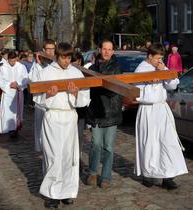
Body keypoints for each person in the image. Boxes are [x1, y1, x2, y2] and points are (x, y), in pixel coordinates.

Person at [34, 42, 90, 209]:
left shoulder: (76, 73)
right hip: (53, 117)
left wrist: (76, 94)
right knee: (54, 156)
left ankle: (66, 191)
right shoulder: (45, 73)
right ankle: (52, 194)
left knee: (69, 157)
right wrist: (47, 96)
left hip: (70, 117)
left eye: (68, 58)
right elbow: (37, 98)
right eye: (63, 58)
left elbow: (85, 100)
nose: (66, 61)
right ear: (56, 56)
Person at [134, 43, 188, 190]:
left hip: (161, 109)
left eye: (161, 58)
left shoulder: (161, 66)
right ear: (150, 56)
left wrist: (163, 70)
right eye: (157, 58)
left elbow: (173, 85)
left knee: (167, 142)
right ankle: (148, 174)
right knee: (149, 142)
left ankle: (168, 176)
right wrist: (149, 82)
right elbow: (137, 93)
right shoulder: (140, 69)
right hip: (148, 110)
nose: (159, 61)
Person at [86, 39, 123, 189]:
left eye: (110, 49)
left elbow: (116, 89)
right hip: (96, 110)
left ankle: (106, 176)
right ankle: (93, 172)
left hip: (112, 111)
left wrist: (102, 86)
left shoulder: (117, 68)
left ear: (113, 51)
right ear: (100, 50)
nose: (107, 52)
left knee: (108, 146)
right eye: (104, 48)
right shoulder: (92, 68)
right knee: (95, 144)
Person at [30, 39, 56, 152]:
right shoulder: (37, 64)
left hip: (54, 101)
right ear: (44, 50)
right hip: (41, 101)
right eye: (48, 49)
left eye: (52, 49)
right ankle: (41, 148)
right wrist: (39, 65)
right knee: (40, 127)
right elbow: (32, 80)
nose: (50, 52)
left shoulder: (57, 63)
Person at [0, 51, 29, 138]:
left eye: (14, 61)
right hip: (8, 93)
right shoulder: (3, 67)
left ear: (16, 59)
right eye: (11, 61)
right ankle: (9, 129)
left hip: (18, 91)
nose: (12, 63)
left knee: (17, 112)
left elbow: (25, 78)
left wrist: (18, 84)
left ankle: (16, 128)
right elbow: (0, 80)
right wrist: (9, 85)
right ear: (8, 59)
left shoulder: (21, 67)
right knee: (8, 112)